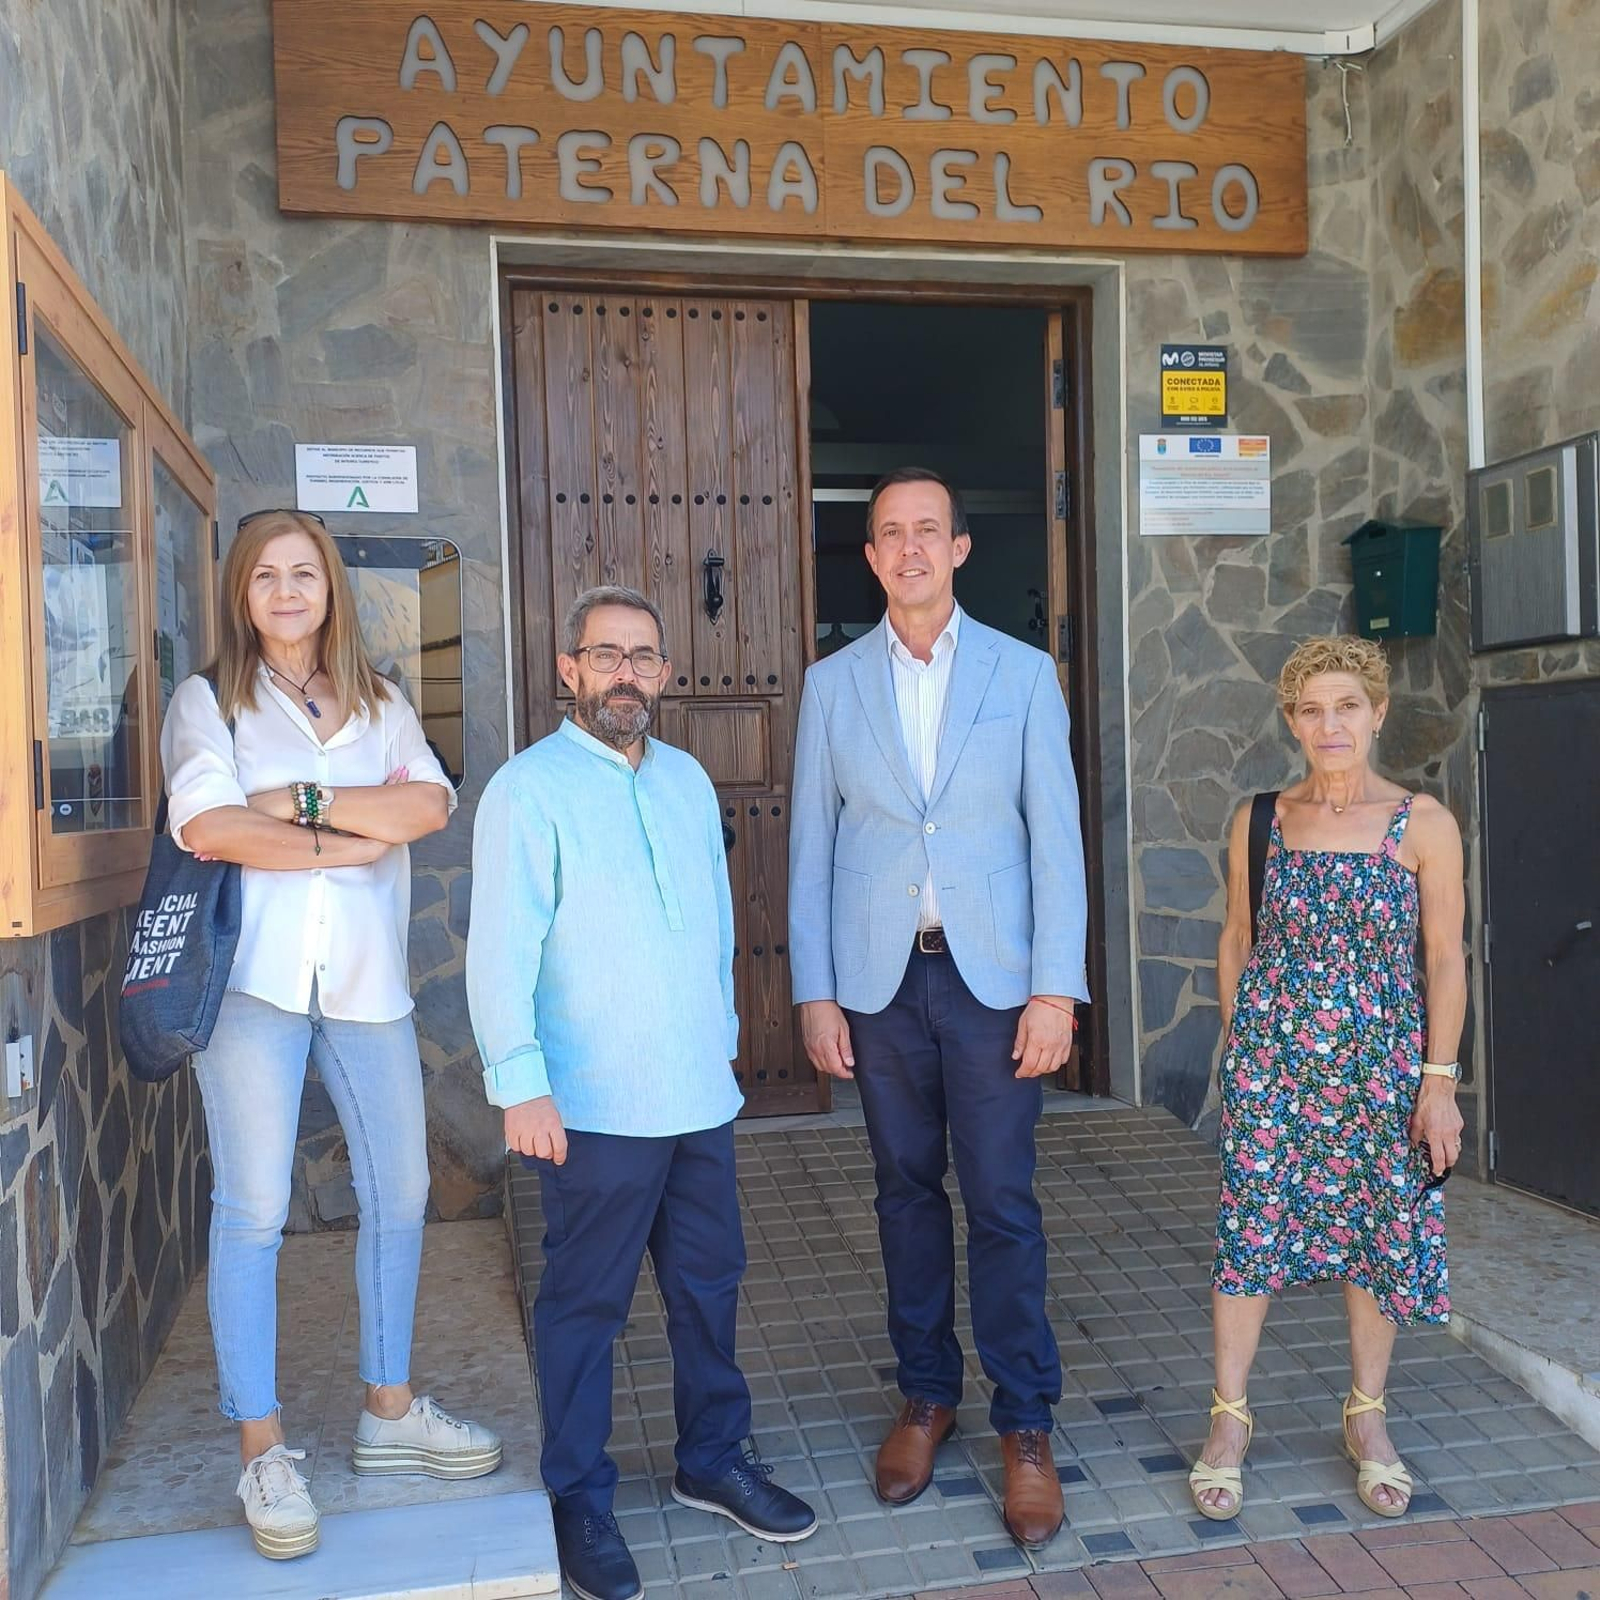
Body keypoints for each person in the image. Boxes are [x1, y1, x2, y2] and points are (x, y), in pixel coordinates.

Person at [160, 510, 500, 1562]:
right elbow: (209, 824)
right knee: (254, 1209)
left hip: (364, 985)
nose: (286, 590)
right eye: (266, 574)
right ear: (242, 592)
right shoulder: (207, 700)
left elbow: (428, 807)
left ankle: (388, 1412)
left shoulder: (383, 701)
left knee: (401, 1191)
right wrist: (347, 835)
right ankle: (262, 1448)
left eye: (304, 572)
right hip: (252, 986)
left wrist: (295, 804)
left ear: (331, 588)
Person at [467, 585, 817, 1600]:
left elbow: (714, 926)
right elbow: (500, 952)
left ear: (664, 673)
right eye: (605, 654)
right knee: (586, 1307)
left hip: (694, 1095)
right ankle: (578, 1494)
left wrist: (721, 1047)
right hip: (589, 1104)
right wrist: (520, 1085)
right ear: (568, 669)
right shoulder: (527, 790)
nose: (626, 673)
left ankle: (712, 1457)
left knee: (710, 1287)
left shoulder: (688, 780)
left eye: (644, 657)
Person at [788, 468, 1089, 1548]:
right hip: (880, 985)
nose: (909, 547)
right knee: (904, 1193)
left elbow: (1055, 839)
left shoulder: (1023, 672)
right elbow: (812, 846)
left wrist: (1055, 988)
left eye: (928, 530)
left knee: (1002, 1199)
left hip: (993, 982)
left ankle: (1025, 1421)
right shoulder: (831, 684)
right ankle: (925, 1394)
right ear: (870, 557)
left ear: (959, 547)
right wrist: (815, 991)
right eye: (889, 533)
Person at [1191, 635, 1465, 1523]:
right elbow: (1238, 936)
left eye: (1347, 706)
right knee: (1250, 1235)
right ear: (1293, 721)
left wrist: (1438, 1083)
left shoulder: (1423, 824)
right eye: (1312, 710)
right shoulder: (1260, 820)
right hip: (1274, 1072)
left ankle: (1367, 1418)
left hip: (1381, 1072)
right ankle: (1228, 1421)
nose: (1330, 725)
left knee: (1376, 1237)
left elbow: (1445, 958)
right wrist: (1240, 1045)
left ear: (1377, 713)